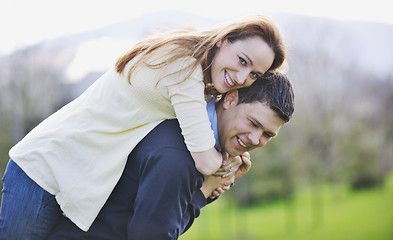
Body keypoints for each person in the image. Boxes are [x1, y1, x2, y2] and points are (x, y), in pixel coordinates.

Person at [0, 14, 286, 239]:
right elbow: (203, 158)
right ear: (225, 40)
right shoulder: (183, 71)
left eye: (254, 74)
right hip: (44, 170)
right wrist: (226, 165)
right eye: (242, 61)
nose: (242, 76)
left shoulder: (199, 79)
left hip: (74, 176)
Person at [47, 72, 295, 239]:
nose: (254, 139)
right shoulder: (180, 155)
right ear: (230, 98)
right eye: (252, 122)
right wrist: (204, 191)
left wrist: (211, 186)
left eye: (267, 135)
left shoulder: (194, 140)